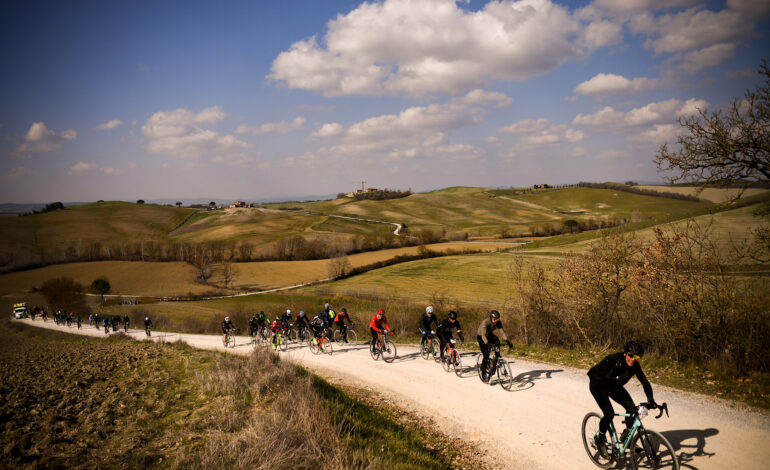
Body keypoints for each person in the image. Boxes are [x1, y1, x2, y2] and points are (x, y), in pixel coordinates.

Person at [588, 341, 655, 457]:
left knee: (632, 409)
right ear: (625, 354)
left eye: (636, 357)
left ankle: (626, 436)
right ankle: (600, 438)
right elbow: (599, 377)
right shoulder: (613, 360)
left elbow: (644, 382)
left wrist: (650, 399)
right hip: (598, 385)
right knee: (609, 414)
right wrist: (618, 379)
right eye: (631, 355)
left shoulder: (635, 366)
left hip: (614, 386)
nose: (633, 359)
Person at [477, 310, 513, 383]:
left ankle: (496, 358)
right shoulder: (485, 323)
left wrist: (508, 341)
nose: (496, 321)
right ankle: (483, 373)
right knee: (486, 354)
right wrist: (487, 343)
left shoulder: (498, 323)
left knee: (497, 340)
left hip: (489, 335)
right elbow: (483, 335)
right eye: (495, 319)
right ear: (491, 318)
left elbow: (502, 333)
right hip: (481, 337)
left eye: (498, 319)